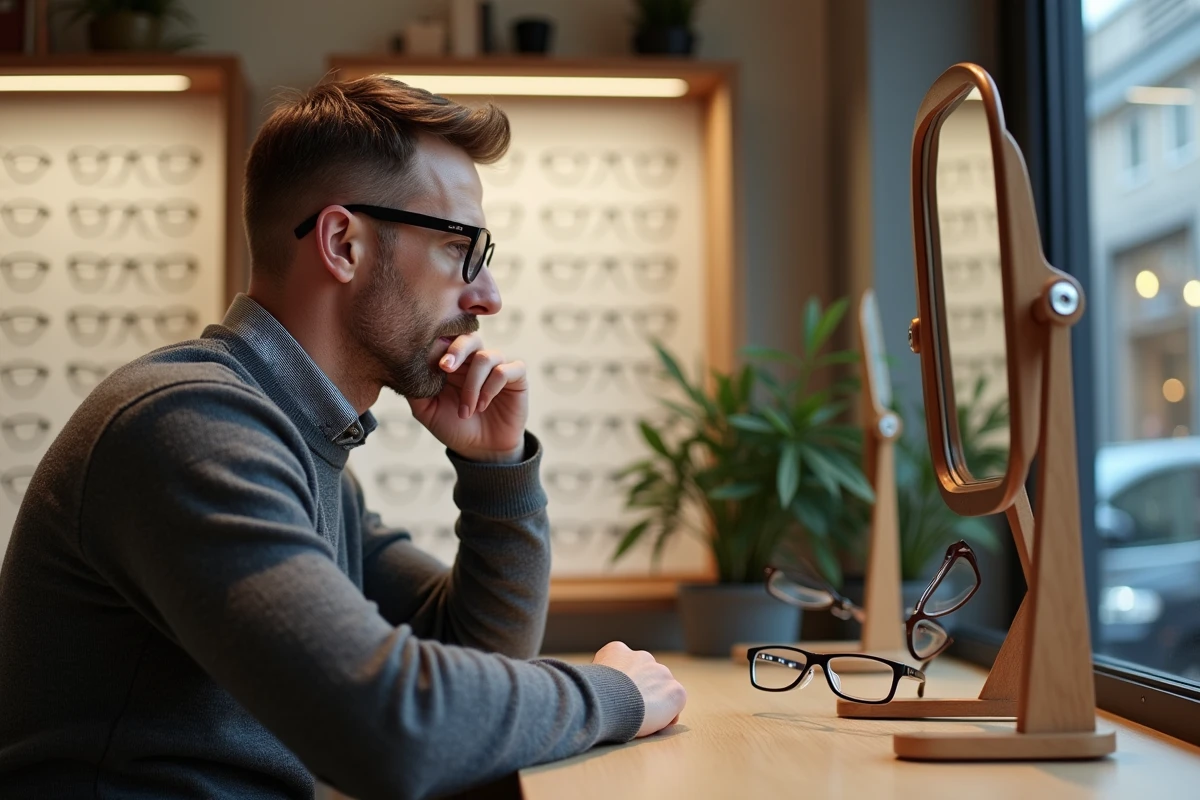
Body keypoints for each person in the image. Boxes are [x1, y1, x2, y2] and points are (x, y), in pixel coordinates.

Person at [0, 75, 686, 800]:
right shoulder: (187, 425)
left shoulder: (298, 443)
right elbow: (392, 732)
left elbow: (471, 659)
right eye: (462, 249)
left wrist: (497, 471)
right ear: (342, 244)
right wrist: (612, 694)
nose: (488, 297)